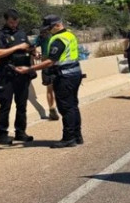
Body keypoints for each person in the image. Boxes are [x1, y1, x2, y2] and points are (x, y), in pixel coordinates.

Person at [15, 15, 82, 148]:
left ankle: (68, 138)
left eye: (50, 28)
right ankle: (77, 135)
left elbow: (50, 61)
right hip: (75, 73)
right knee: (73, 105)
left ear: (57, 25)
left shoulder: (58, 40)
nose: (49, 31)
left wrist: (30, 68)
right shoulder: (70, 35)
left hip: (64, 77)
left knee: (66, 108)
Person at [0, 9, 34, 145]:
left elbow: (27, 47)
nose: (14, 24)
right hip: (7, 75)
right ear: (6, 20)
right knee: (5, 105)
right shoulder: (0, 34)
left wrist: (32, 51)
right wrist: (16, 48)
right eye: (11, 22)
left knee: (22, 105)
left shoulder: (21, 33)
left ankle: (20, 132)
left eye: (16, 21)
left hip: (22, 75)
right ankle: (2, 133)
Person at [33, 28, 60, 120]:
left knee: (49, 88)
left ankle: (52, 108)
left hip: (45, 64)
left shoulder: (41, 36)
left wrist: (36, 53)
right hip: (55, 63)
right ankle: (54, 108)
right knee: (57, 87)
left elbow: (32, 46)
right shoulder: (56, 35)